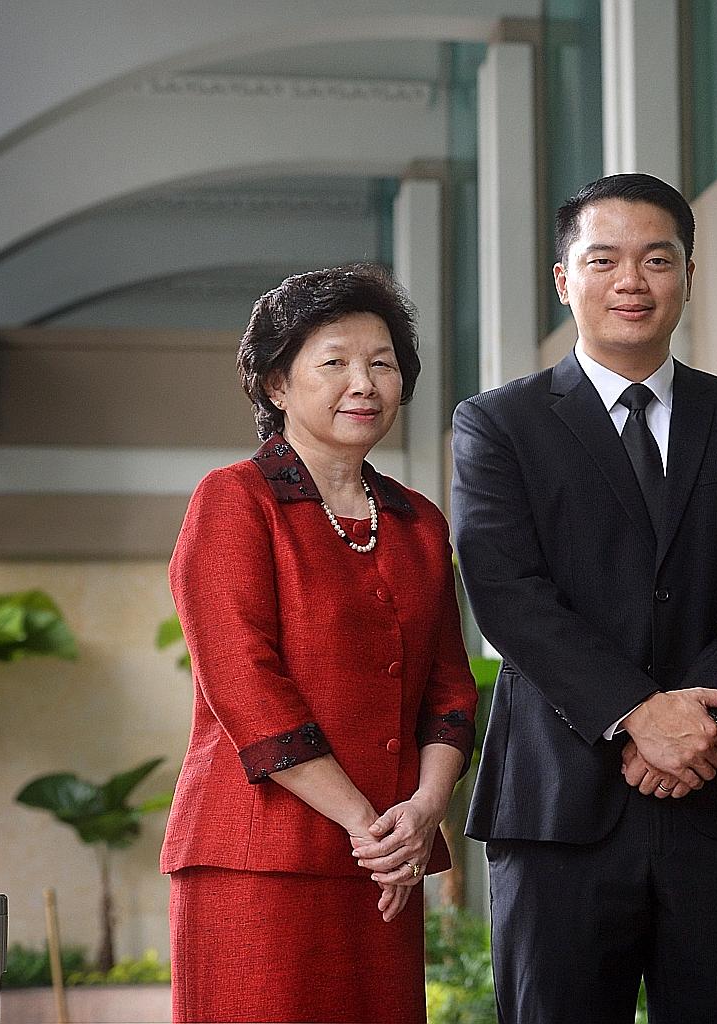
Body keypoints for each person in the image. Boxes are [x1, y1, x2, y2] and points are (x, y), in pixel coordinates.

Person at [451, 173, 717, 1023]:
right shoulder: (498, 424)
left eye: (657, 259)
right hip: (559, 804)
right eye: (603, 260)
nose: (631, 282)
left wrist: (697, 718)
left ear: (689, 274)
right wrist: (638, 713)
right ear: (563, 278)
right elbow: (506, 590)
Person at [162, 264, 479, 1023]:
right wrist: (366, 824)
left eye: (382, 364)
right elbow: (244, 683)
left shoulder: (418, 522)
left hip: (385, 861)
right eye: (334, 362)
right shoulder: (234, 499)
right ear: (277, 384)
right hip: (258, 860)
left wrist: (425, 808)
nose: (362, 384)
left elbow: (449, 688)